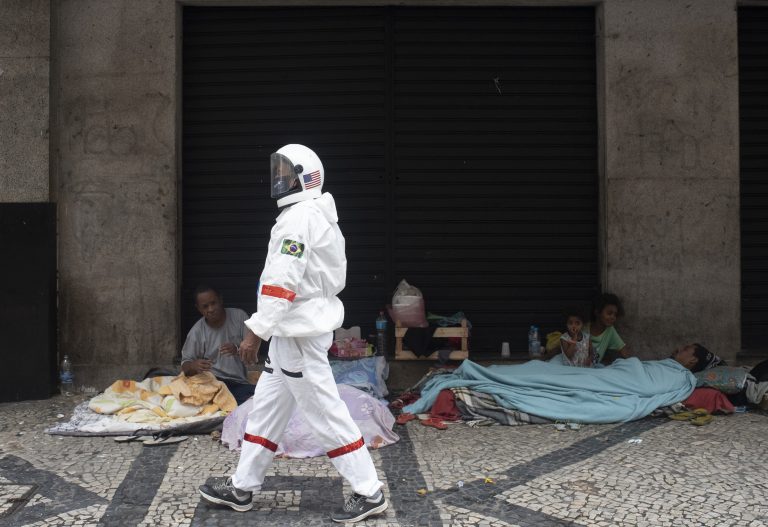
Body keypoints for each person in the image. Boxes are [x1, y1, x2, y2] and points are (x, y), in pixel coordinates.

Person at [198, 144, 388, 523]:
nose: (278, 178)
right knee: (266, 412)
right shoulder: (313, 215)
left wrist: (255, 331)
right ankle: (242, 487)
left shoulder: (299, 218)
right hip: (293, 333)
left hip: (298, 334)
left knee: (325, 413)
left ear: (306, 176)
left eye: (286, 172)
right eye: (278, 171)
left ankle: (369, 491)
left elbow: (281, 282)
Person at [180, 285, 256, 405]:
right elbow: (185, 365)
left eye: (213, 303)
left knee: (260, 398)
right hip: (212, 383)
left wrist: (237, 349)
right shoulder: (197, 331)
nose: (210, 309)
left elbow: (253, 354)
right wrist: (194, 365)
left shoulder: (239, 316)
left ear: (220, 300)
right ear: (198, 309)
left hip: (237, 383)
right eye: (205, 306)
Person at [588, 293, 633, 365]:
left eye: (615, 314)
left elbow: (624, 351)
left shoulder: (610, 330)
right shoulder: (583, 328)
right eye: (609, 313)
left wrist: (634, 364)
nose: (613, 317)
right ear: (597, 312)